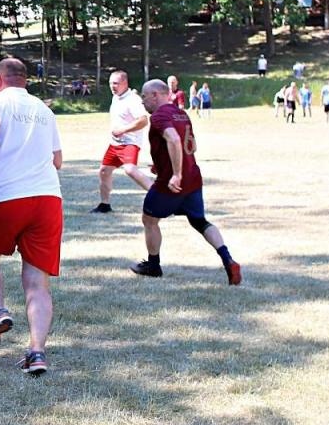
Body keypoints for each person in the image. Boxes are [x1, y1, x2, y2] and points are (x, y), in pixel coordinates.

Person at [0, 57, 63, 377]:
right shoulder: (44, 110)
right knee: (37, 283)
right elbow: (57, 160)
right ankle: (36, 352)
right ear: (26, 80)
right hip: (48, 199)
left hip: (8, 196)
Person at [130, 80, 241, 285]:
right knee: (200, 221)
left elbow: (173, 139)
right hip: (193, 178)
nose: (143, 102)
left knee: (149, 219)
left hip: (172, 182)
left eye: (144, 97)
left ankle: (153, 266)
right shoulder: (181, 113)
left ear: (156, 95)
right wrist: (164, 164)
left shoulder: (159, 116)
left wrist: (175, 173)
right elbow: (192, 145)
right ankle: (228, 260)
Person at [92, 70, 150, 215]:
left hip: (129, 143)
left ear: (125, 83)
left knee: (130, 170)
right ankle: (105, 205)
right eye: (111, 83)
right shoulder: (116, 97)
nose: (113, 86)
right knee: (104, 171)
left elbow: (143, 121)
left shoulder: (133, 100)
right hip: (115, 144)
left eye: (116, 83)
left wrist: (124, 129)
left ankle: (163, 198)